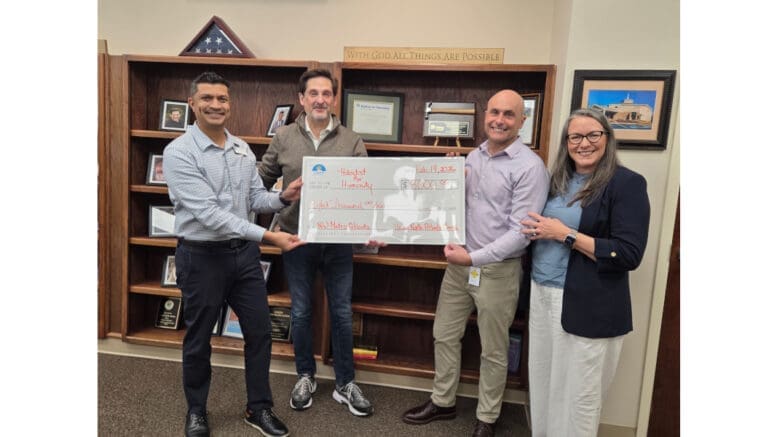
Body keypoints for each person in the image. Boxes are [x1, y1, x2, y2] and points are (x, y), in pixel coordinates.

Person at [163, 71, 305, 437]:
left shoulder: (241, 148)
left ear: (229, 103)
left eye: (222, 99)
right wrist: (269, 237)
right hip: (201, 258)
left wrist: (283, 197)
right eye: (207, 98)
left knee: (260, 332)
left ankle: (258, 408)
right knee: (199, 339)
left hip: (243, 258)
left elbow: (254, 199)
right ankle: (197, 410)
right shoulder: (179, 153)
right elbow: (209, 215)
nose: (216, 105)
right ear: (192, 103)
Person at [402, 90, 550, 437]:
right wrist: (450, 179)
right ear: (485, 116)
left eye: (509, 114)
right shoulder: (474, 156)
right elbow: (454, 207)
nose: (499, 120)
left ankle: (487, 417)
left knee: (494, 350)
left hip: (497, 270)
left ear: (522, 120)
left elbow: (522, 233)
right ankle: (443, 402)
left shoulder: (531, 168)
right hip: (459, 267)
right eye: (494, 112)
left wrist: (473, 258)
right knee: (444, 335)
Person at [519, 108, 650, 437]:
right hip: (542, 294)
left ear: (607, 138)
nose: (584, 143)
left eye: (593, 135)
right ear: (567, 142)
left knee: (579, 396)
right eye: (575, 136)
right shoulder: (556, 181)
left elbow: (628, 254)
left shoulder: (627, 184)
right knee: (544, 383)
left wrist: (565, 234)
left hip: (588, 301)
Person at [257, 69, 380, 417]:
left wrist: (371, 225)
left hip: (339, 241)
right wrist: (282, 196)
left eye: (327, 93)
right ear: (302, 99)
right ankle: (305, 376)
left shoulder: (352, 140)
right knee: (300, 311)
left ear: (334, 99)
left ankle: (345, 383)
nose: (320, 100)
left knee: (341, 311)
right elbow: (260, 182)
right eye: (313, 93)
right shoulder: (283, 137)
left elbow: (366, 189)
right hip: (297, 239)